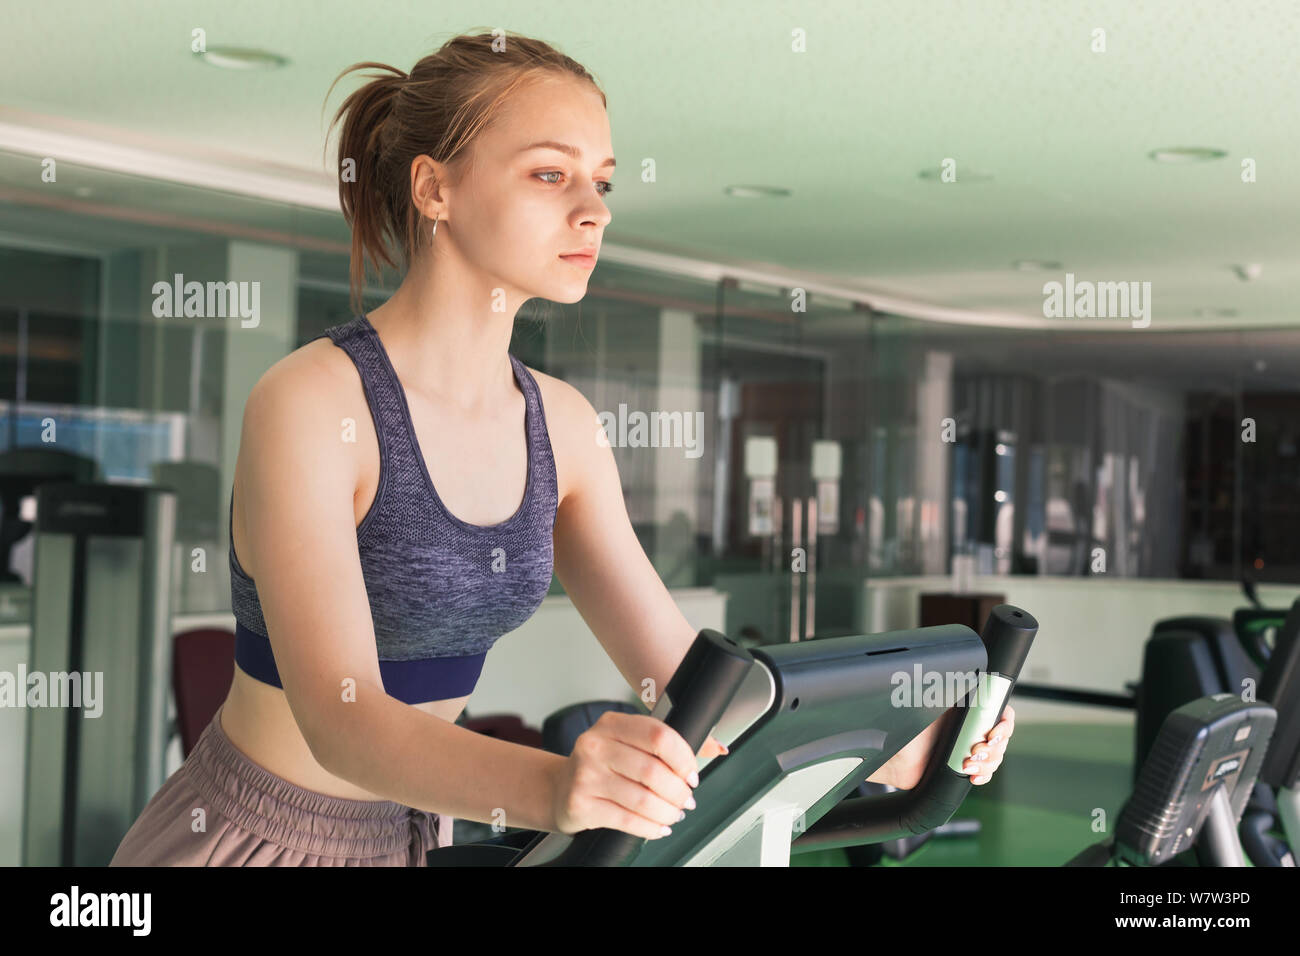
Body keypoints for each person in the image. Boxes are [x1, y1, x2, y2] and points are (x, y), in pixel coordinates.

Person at [110, 28, 1013, 867]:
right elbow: (341, 719)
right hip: (256, 838)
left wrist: (903, 738)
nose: (594, 211)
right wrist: (555, 786)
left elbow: (680, 677)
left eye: (604, 182)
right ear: (436, 188)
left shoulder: (564, 428)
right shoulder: (312, 402)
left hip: (416, 838)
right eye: (551, 175)